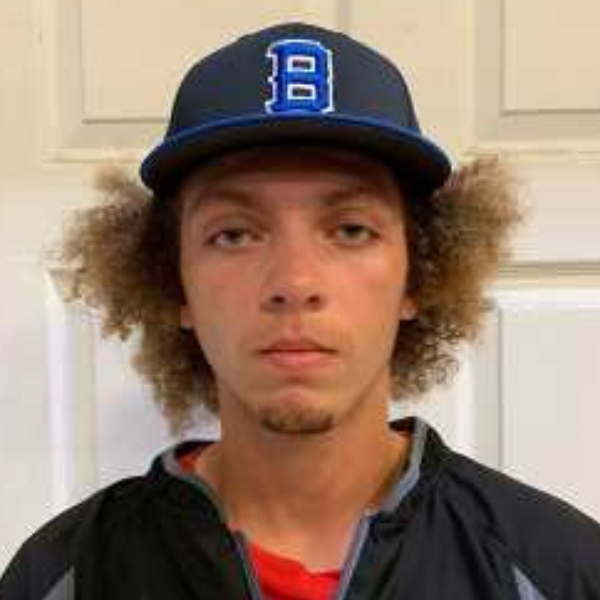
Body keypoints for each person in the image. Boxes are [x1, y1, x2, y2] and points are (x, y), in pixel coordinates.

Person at [1, 21, 599, 600]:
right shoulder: (65, 576)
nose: (294, 282)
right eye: (235, 234)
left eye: (351, 230)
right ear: (173, 282)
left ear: (417, 274)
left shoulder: (560, 569)